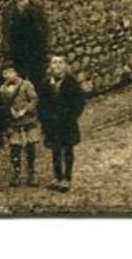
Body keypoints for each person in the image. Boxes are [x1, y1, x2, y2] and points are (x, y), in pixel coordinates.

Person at [38, 53, 86, 192]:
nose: (57, 66)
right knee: (55, 151)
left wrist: (70, 116)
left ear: (65, 66)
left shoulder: (71, 83)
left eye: (60, 63)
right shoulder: (46, 84)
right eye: (54, 63)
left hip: (67, 123)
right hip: (51, 125)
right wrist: (45, 120)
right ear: (50, 66)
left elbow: (79, 103)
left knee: (68, 150)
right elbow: (41, 104)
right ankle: (57, 177)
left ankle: (67, 178)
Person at [1, 0, 51, 85]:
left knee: (37, 78)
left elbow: (45, 29)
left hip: (35, 49)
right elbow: (5, 30)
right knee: (18, 78)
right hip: (16, 49)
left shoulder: (37, 7)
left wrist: (45, 47)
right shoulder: (8, 9)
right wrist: (6, 47)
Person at [0, 61, 41, 187]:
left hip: (28, 121)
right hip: (13, 123)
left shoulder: (26, 85)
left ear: (16, 72)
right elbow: (2, 105)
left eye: (10, 72)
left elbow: (34, 99)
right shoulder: (2, 89)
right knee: (15, 148)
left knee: (30, 147)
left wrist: (25, 110)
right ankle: (16, 173)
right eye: (5, 73)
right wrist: (9, 110)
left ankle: (31, 173)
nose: (8, 75)